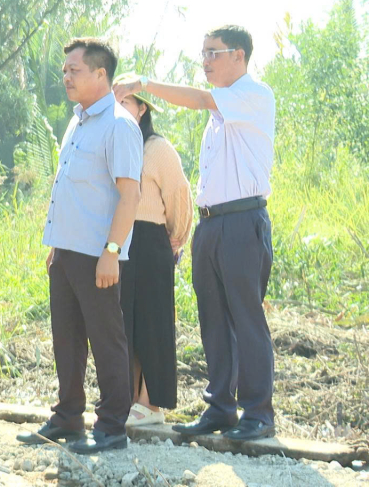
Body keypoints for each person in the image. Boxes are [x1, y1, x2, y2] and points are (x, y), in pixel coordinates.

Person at [114, 25, 277, 441]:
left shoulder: (254, 96)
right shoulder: (218, 116)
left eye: (212, 53)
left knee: (246, 317)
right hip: (211, 223)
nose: (205, 61)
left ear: (238, 56)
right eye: (202, 53)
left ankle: (257, 412)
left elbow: (200, 98)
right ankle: (221, 408)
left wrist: (144, 83)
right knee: (214, 320)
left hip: (242, 221)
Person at [18, 38, 142, 454]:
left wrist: (111, 251)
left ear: (101, 74)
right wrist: (55, 244)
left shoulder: (119, 125)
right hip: (66, 251)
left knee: (107, 340)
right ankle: (68, 415)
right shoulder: (78, 120)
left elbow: (130, 196)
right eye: (65, 69)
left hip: (97, 254)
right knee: (66, 338)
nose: (66, 76)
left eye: (75, 70)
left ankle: (110, 427)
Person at [113, 81, 193, 427]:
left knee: (152, 321)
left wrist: (175, 237)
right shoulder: (114, 144)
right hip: (119, 239)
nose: (118, 106)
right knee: (123, 322)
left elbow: (179, 195)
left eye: (126, 100)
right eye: (114, 100)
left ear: (142, 108)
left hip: (150, 238)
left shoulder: (157, 148)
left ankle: (152, 404)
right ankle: (129, 399)